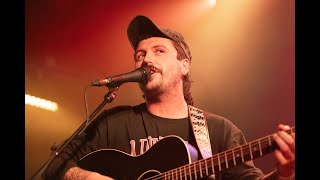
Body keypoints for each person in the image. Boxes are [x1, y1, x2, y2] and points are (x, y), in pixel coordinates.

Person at [42, 15, 295, 180]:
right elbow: (54, 165)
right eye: (140, 55)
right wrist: (89, 178)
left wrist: (284, 174)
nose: (147, 59)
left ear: (184, 66)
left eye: (159, 51)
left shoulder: (218, 131)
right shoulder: (112, 123)